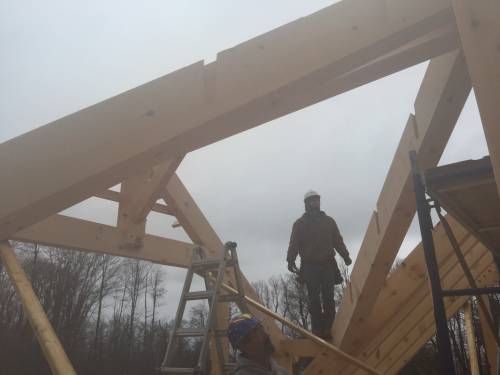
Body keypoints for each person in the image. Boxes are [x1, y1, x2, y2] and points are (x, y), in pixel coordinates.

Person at [286, 190, 352, 339]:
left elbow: (337, 240)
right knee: (314, 299)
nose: (315, 203)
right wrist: (290, 259)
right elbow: (294, 243)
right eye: (311, 200)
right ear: (306, 204)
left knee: (329, 298)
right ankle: (317, 328)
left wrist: (345, 255)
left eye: (317, 200)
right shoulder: (300, 224)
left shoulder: (329, 222)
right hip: (310, 267)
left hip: (328, 265)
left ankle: (330, 327)